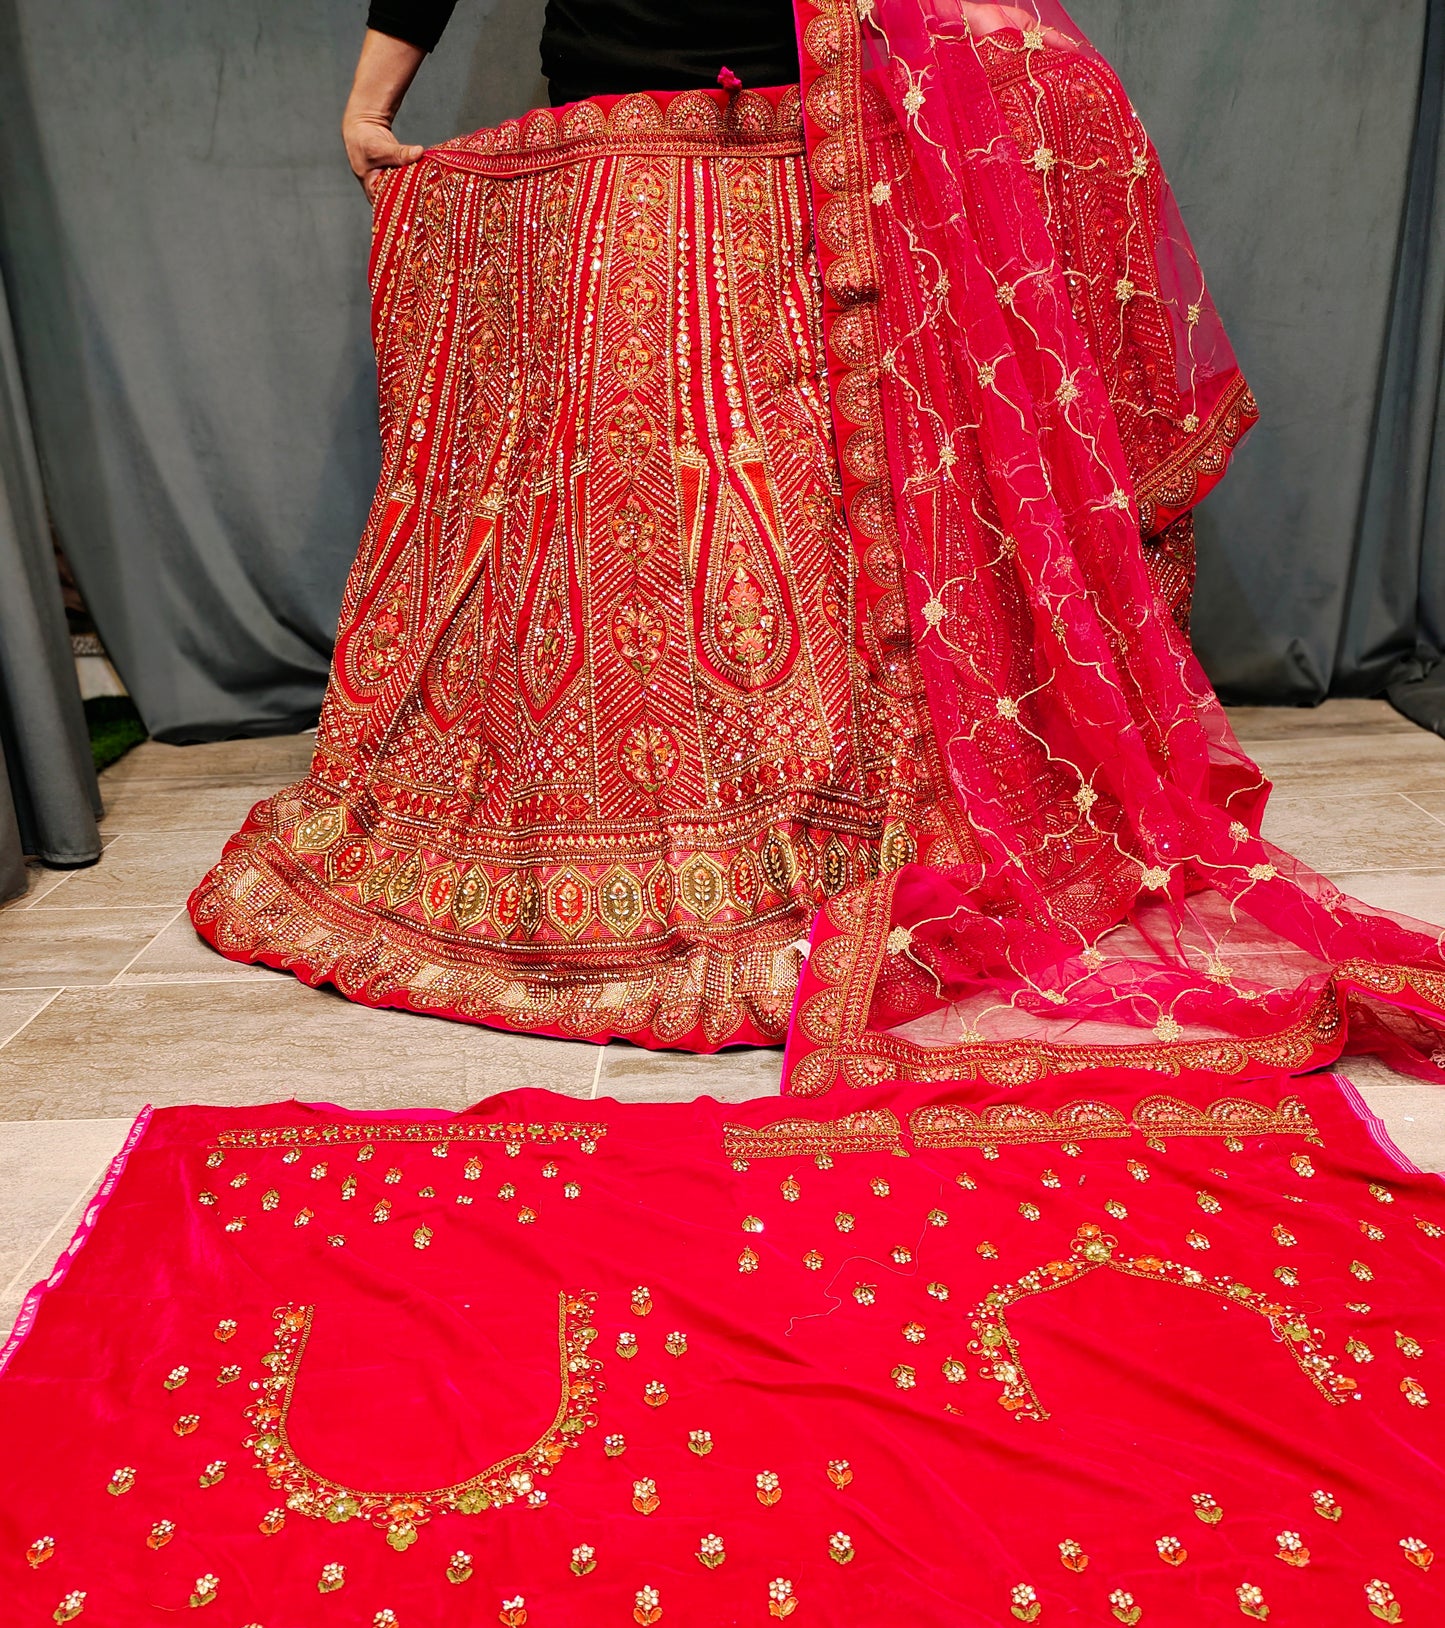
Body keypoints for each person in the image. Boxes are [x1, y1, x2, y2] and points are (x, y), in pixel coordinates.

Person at [191, 1, 1445, 1076]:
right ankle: (807, 869)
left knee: (663, 510)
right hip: (785, 154)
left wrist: (372, 100)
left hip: (670, 158)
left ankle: (706, 864)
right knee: (783, 507)